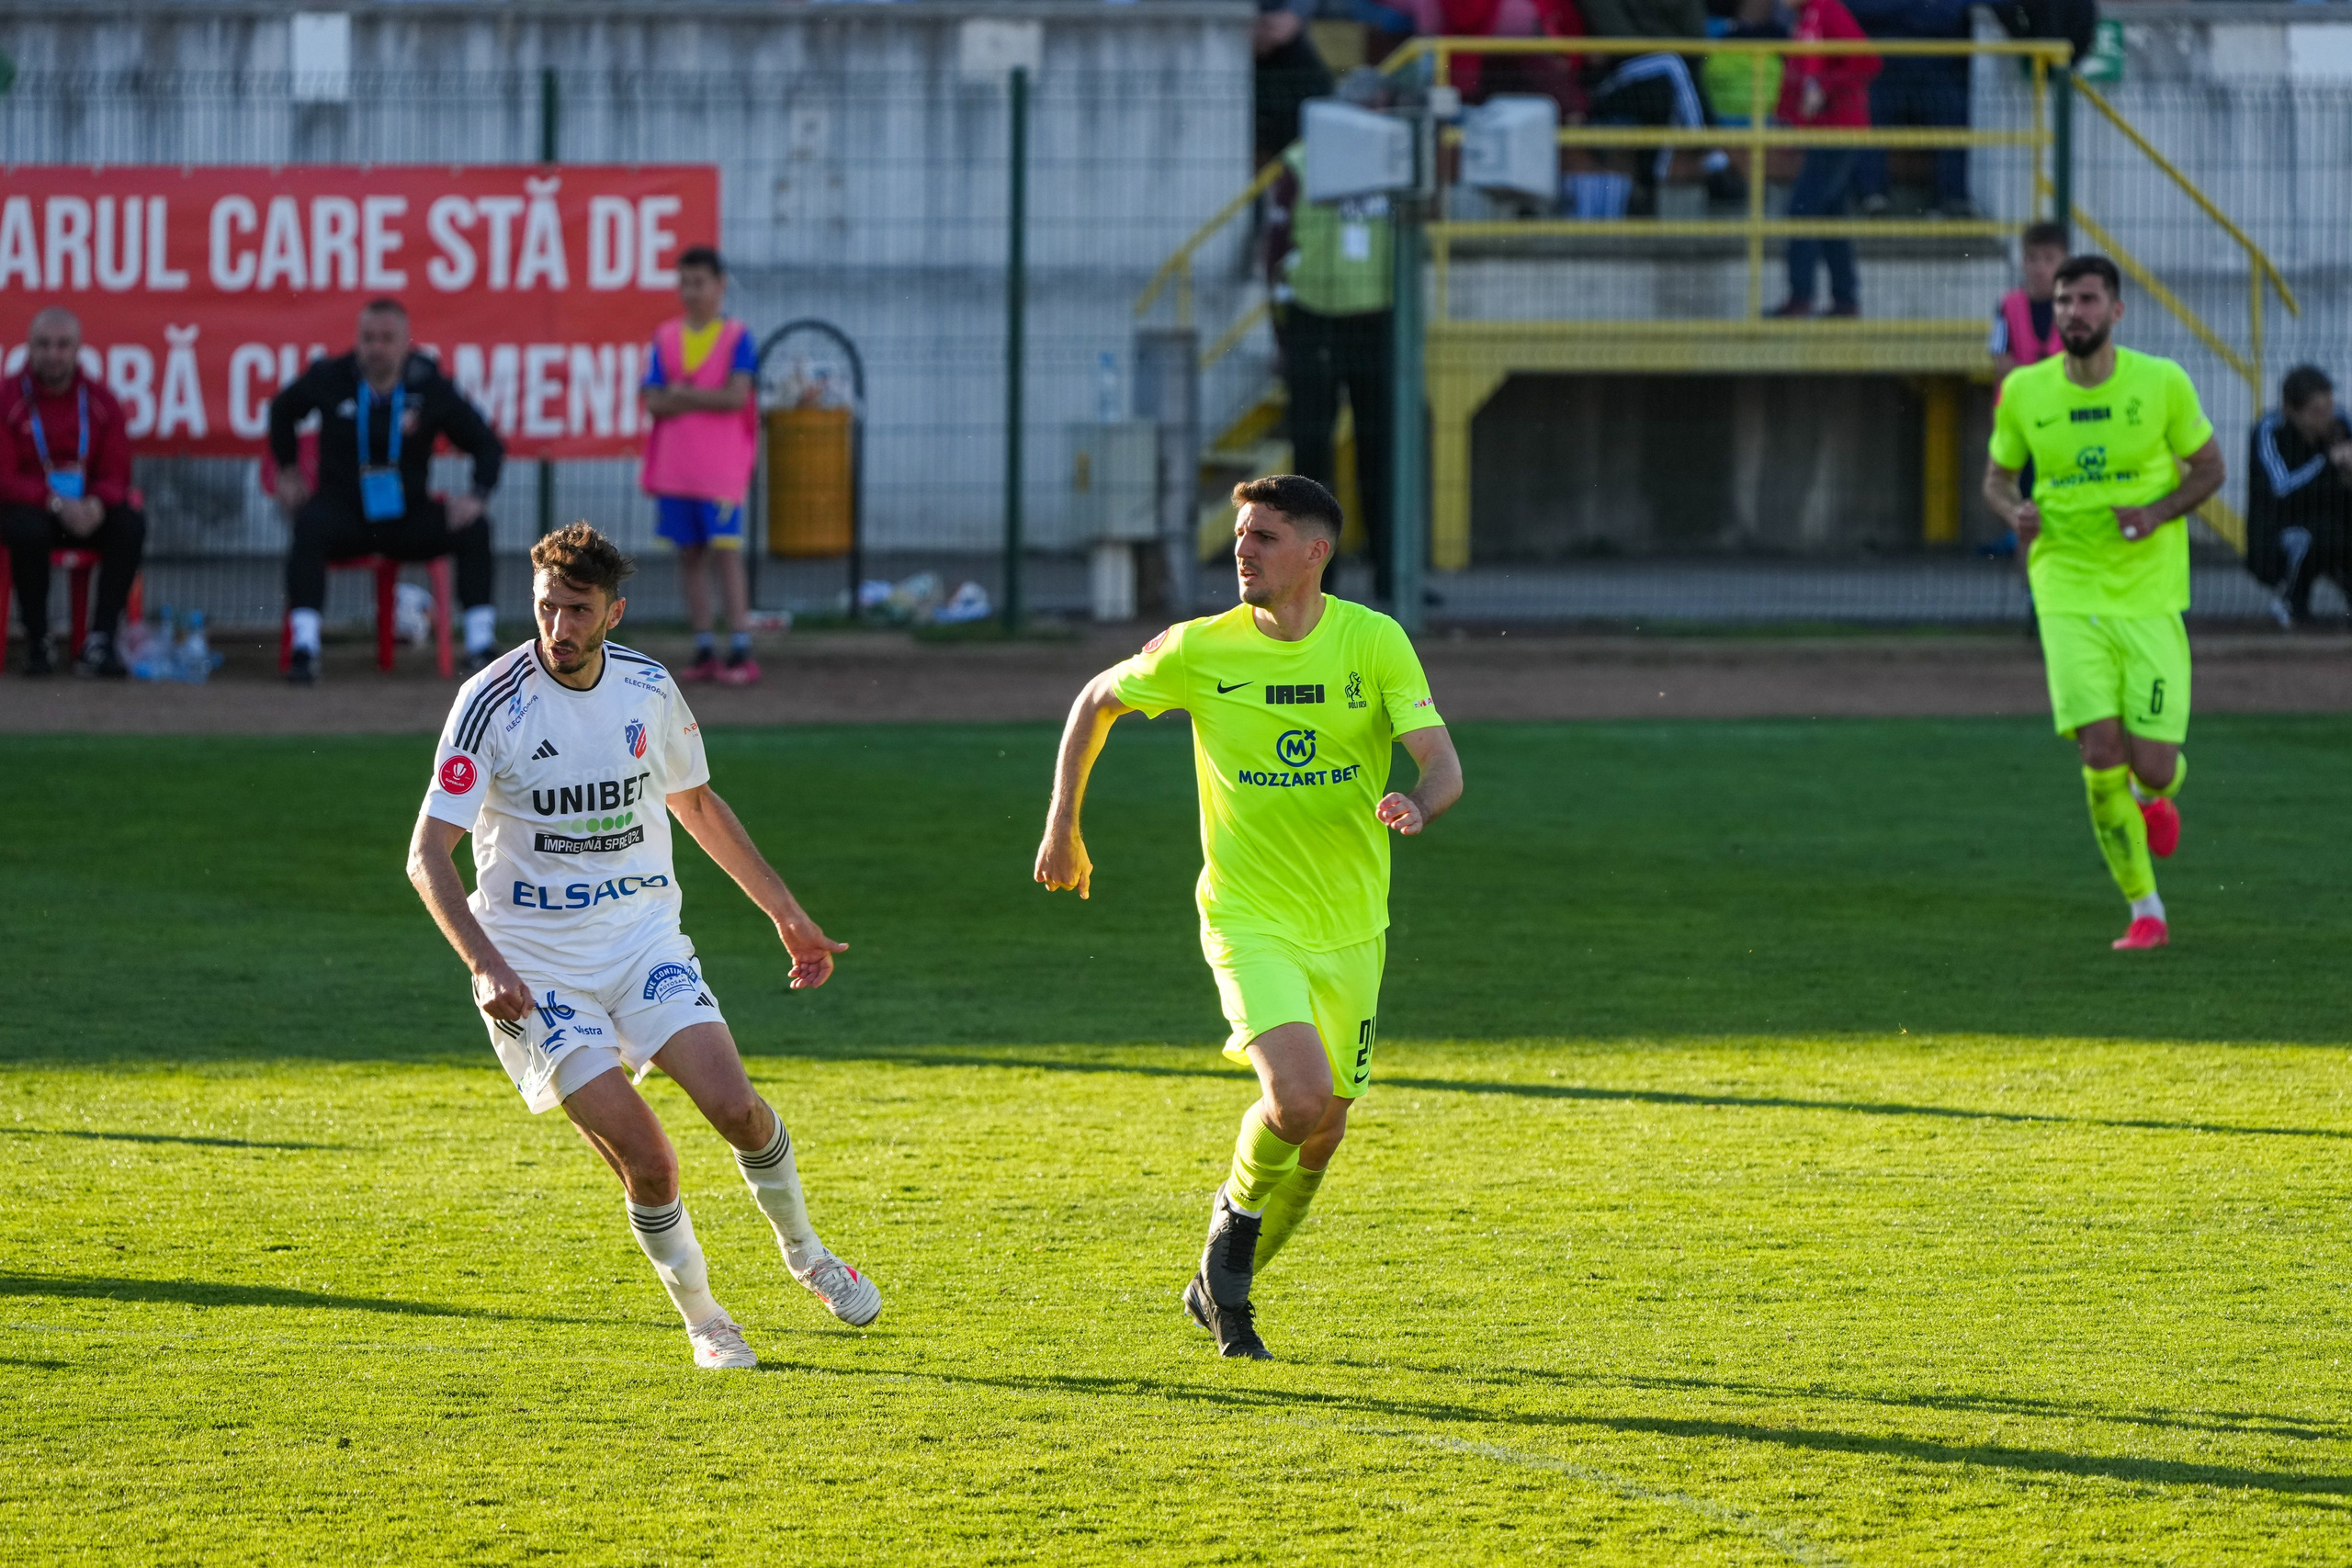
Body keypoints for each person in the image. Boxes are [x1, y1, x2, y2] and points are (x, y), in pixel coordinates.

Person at [406, 522, 876, 1371]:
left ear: (614, 612)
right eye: (547, 606)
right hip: (536, 969)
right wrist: (485, 963)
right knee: (650, 1161)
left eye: (577, 610)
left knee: (737, 1109)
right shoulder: (490, 701)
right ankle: (706, 1319)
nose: (558, 626)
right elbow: (424, 854)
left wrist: (788, 912)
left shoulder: (648, 689)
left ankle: (807, 1253)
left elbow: (696, 804)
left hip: (642, 941)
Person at [1033, 474, 1464, 1359]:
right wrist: (1063, 824)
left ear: (1316, 552)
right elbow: (1096, 701)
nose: (1242, 549)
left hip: (1352, 925)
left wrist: (1420, 803)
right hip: (1246, 916)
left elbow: (1442, 762)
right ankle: (1232, 1245)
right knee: (1297, 1097)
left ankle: (1223, 1277)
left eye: (1265, 536)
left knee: (1328, 1122)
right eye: (1239, 534)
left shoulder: (1373, 642)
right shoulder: (1200, 648)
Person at [1981, 254, 2226, 951]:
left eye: (2087, 300)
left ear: (2116, 311)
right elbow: (1996, 479)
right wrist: (2015, 511)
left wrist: (2156, 511)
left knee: (2150, 762)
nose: (2072, 312)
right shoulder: (2026, 391)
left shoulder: (2161, 384)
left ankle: (2156, 796)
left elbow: (2210, 468)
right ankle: (2145, 910)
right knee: (2099, 749)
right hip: (2064, 587)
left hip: (2147, 594)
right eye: (2062, 301)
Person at [270, 299, 504, 683]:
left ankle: (482, 647)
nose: (376, 348)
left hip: (407, 516)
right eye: (368, 338)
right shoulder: (331, 377)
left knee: (474, 528)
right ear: (357, 341)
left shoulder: (428, 384)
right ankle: (305, 649)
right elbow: (282, 409)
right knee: (308, 526)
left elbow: (486, 442)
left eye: (387, 339)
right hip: (344, 514)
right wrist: (288, 470)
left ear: (405, 342)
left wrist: (477, 494)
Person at [1269, 71, 1398, 605]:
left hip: (1376, 317)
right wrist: (1279, 329)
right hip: (1312, 317)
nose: (1383, 122)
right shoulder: (1300, 163)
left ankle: (1395, 579)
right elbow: (1274, 247)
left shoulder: (1397, 163)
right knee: (1311, 463)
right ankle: (1317, 584)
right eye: (1375, 110)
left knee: (1384, 453)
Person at [640, 244, 763, 686]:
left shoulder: (736, 336)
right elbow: (653, 400)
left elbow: (737, 396)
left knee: (726, 555)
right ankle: (706, 646)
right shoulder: (666, 336)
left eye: (700, 282)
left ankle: (741, 648)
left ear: (720, 285)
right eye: (685, 283)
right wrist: (694, 396)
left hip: (720, 469)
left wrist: (682, 394)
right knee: (690, 556)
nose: (691, 292)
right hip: (677, 468)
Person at [0, 306, 144, 677]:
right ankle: (38, 641)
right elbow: (5, 476)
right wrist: (53, 501)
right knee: (25, 530)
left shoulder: (101, 400)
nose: (53, 354)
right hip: (33, 509)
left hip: (85, 510)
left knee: (129, 523)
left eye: (63, 345)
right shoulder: (7, 398)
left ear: (78, 349)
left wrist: (97, 502)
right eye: (43, 344)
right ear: (28, 348)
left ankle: (100, 641)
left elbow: (117, 472)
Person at [1767, 0, 1879, 318]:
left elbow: (1867, 61)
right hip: (1824, 131)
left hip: (1839, 130)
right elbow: (1799, 75)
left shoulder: (1828, 11)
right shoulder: (1804, 17)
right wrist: (1787, 119)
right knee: (1832, 216)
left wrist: (1824, 89)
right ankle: (1845, 300)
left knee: (1803, 209)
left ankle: (1801, 297)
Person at [1847, 0, 1975, 219]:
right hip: (1883, 72)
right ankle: (1872, 197)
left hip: (1937, 71)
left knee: (1954, 114)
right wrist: (1921, 7)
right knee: (1868, 115)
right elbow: (1858, 8)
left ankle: (1952, 200)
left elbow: (1952, 14)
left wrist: (1902, 13)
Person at [2245, 364, 2352, 627]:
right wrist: (2328, 462)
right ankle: (2290, 604)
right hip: (2277, 532)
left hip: (2331, 526)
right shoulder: (2270, 430)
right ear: (2291, 410)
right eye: (2317, 412)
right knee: (2306, 538)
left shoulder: (2341, 423)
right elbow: (2281, 488)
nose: (2327, 417)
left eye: (2329, 407)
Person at [1990, 221, 2070, 383]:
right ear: (2023, 262)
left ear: (2065, 262)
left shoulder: (2075, 307)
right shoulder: (2007, 305)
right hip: (2018, 403)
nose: (2039, 268)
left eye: (2049, 259)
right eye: (2032, 258)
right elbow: (2000, 359)